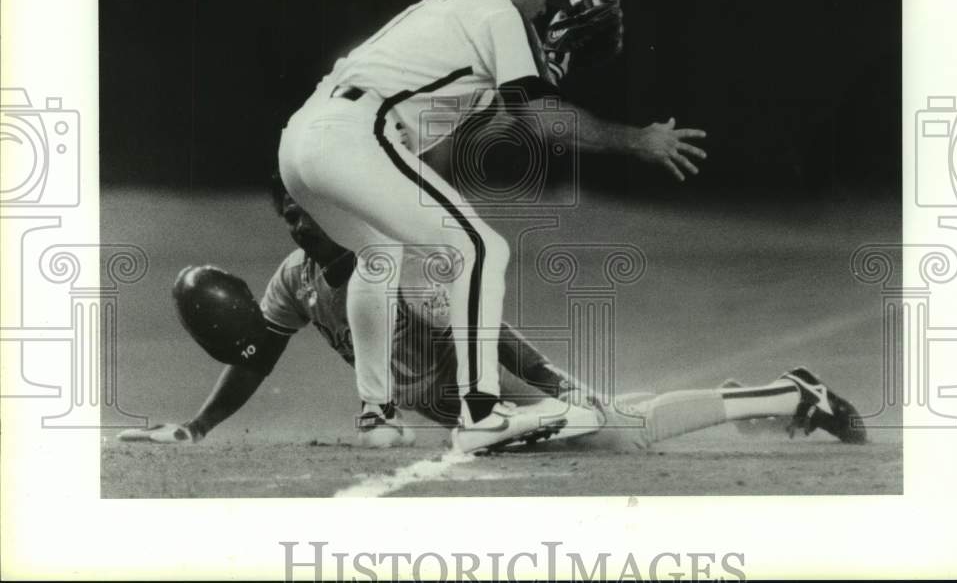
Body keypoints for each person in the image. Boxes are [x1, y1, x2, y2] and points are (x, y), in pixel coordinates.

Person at [276, 0, 709, 452]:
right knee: (478, 248)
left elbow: (494, 105)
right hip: (352, 136)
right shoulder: (498, 13)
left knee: (379, 255)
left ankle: (377, 416)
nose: (550, 0)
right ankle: (481, 411)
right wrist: (639, 140)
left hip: (302, 140)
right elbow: (542, 122)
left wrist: (545, 63)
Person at [118, 193, 867, 449]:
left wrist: (556, 382)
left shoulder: (398, 268)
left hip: (488, 397)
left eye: (309, 214)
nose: (298, 225)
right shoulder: (297, 278)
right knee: (620, 428)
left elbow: (485, 335)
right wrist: (196, 426)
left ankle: (791, 398)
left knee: (620, 436)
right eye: (290, 214)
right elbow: (256, 356)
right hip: (458, 412)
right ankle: (771, 395)